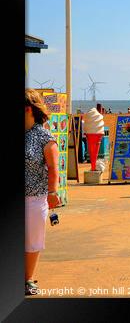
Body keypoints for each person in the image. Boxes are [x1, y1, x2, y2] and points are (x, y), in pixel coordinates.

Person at [24, 89, 61, 295]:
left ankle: (27, 278)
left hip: (34, 198)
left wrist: (53, 192)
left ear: (28, 109)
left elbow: (54, 167)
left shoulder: (44, 136)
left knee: (32, 239)